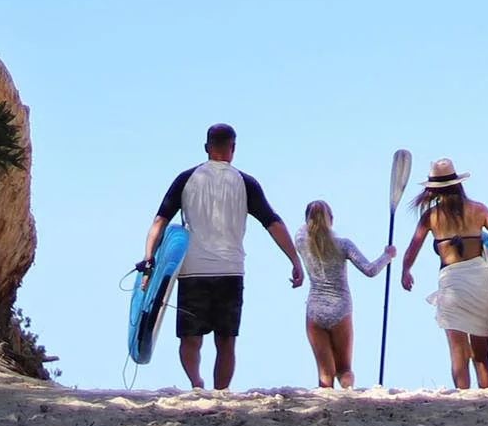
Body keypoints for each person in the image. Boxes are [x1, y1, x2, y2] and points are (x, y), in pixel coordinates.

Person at [139, 122, 303, 390]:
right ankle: (221, 391)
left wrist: (148, 260)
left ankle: (196, 383)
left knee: (190, 338)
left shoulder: (186, 179)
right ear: (233, 149)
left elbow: (159, 222)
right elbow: (273, 222)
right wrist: (294, 260)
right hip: (230, 269)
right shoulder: (245, 182)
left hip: (192, 270)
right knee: (226, 340)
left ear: (206, 147)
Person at [398, 159, 488, 389]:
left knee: (458, 353)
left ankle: (463, 398)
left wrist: (406, 271)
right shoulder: (478, 210)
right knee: (481, 354)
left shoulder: (430, 216)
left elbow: (412, 249)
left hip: (452, 282)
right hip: (481, 282)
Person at [296, 199, 392, 389]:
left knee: (325, 372)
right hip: (340, 308)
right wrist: (387, 256)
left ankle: (326, 409)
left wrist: (313, 222)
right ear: (331, 219)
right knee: (345, 369)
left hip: (315, 310)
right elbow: (370, 270)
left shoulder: (302, 243)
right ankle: (347, 397)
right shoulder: (343, 245)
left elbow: (302, 229)